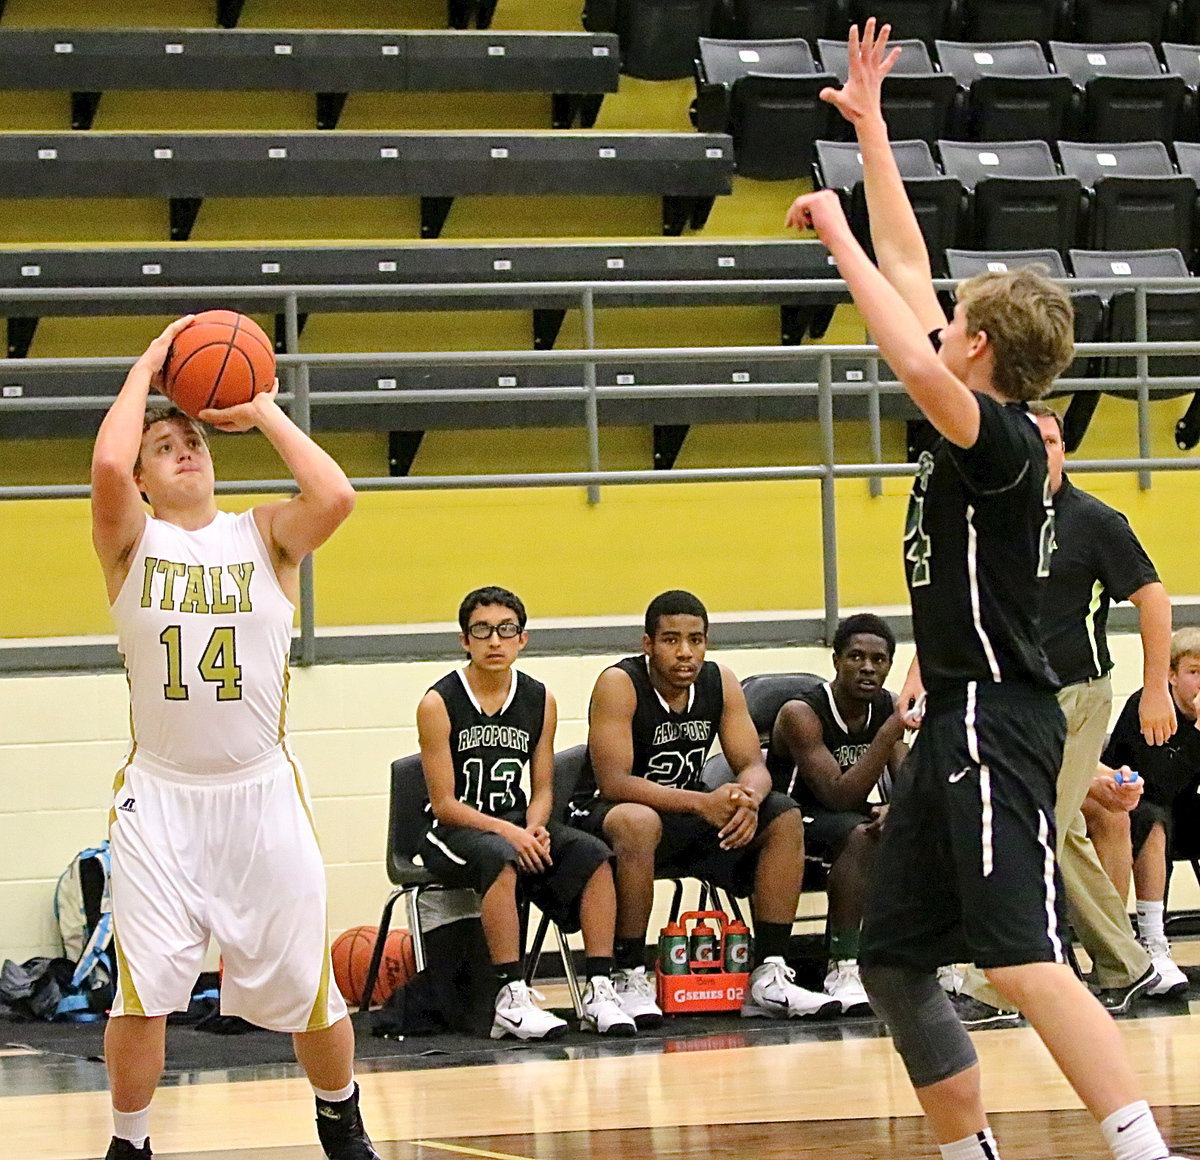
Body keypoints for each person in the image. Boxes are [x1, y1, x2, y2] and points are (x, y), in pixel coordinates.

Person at [787, 20, 1191, 1160]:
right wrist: (868, 133)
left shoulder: (1000, 442)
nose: (939, 319)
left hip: (993, 717)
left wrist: (832, 236)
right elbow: (913, 271)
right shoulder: (974, 408)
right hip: (956, 715)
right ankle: (971, 1150)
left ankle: (1142, 1149)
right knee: (897, 958)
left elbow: (903, 336)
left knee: (1020, 957)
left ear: (977, 354)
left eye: (957, 323)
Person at [91, 319, 375, 1160]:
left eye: (192, 439)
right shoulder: (130, 542)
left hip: (260, 794)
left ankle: (339, 1113)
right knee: (141, 995)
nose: (184, 450)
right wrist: (151, 364)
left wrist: (260, 409)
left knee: (308, 987)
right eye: (165, 446)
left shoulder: (265, 534)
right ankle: (129, 1142)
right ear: (144, 482)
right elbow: (107, 462)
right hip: (161, 799)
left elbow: (337, 497)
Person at [954, 402, 1175, 1020]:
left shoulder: (1095, 521)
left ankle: (998, 986)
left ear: (1063, 450)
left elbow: (1154, 602)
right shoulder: (994, 515)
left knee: (1030, 829)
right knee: (1058, 830)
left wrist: (1155, 689)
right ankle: (1128, 965)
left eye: (1052, 440)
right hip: (1014, 699)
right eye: (1031, 441)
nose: (1042, 450)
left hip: (1077, 696)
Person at [568, 589, 841, 1025]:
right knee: (639, 821)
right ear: (647, 644)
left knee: (784, 815)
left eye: (695, 640)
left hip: (686, 812)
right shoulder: (619, 684)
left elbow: (753, 764)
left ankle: (769, 973)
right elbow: (614, 782)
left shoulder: (720, 681)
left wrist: (748, 799)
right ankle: (628, 973)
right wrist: (702, 803)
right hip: (605, 815)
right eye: (671, 640)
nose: (685, 652)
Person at [415, 585, 635, 1041]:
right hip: (451, 830)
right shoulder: (437, 703)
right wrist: (513, 836)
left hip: (517, 822)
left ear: (522, 639)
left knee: (593, 854)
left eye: (505, 630)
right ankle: (511, 996)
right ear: (464, 640)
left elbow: (543, 786)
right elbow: (444, 804)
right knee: (500, 856)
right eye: (482, 631)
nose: (494, 641)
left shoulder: (540, 699)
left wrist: (534, 828)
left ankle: (599, 987)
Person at [766, 612, 907, 1014]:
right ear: (836, 661)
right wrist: (889, 732)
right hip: (791, 821)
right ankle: (844, 966)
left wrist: (899, 807)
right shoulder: (802, 713)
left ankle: (935, 958)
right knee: (862, 834)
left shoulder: (886, 706)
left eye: (878, 661)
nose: (867, 668)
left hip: (847, 820)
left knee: (930, 824)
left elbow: (911, 780)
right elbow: (838, 796)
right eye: (856, 657)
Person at [1089, 627, 1200, 998]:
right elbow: (1160, 784)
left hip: (1179, 812)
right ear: (1171, 675)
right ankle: (1153, 937)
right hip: (1127, 808)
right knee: (1154, 816)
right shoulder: (1150, 707)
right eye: (1194, 672)